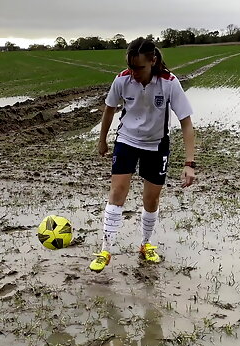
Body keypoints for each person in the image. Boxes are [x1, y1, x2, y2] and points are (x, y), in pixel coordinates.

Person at [89, 37, 196, 273]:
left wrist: (190, 162)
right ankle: (105, 249)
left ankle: (145, 244)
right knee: (117, 191)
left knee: (151, 199)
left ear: (153, 61)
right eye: (131, 66)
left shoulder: (168, 82)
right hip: (127, 139)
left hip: (156, 144)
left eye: (140, 67)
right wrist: (102, 139)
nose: (134, 72)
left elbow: (186, 123)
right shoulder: (122, 79)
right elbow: (109, 109)